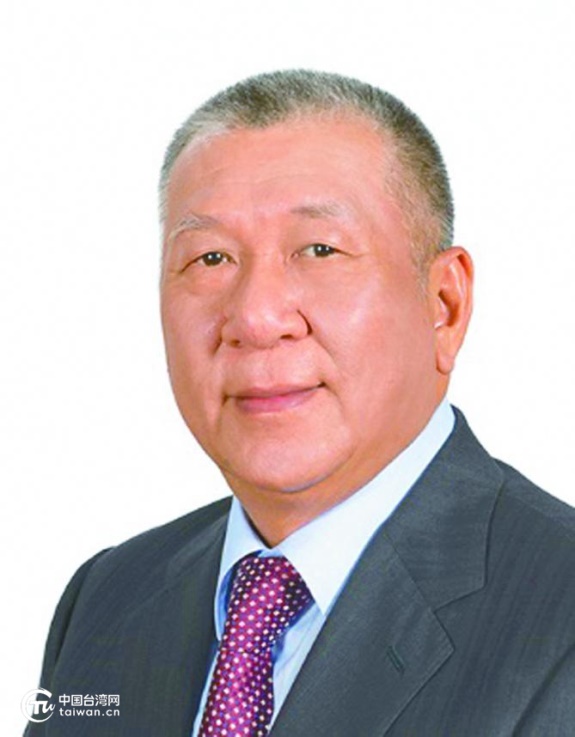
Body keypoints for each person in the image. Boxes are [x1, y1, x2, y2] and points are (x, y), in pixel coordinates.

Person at [25, 70, 575, 737]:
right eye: (210, 259)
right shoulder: (106, 598)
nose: (255, 317)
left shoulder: (558, 615)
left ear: (444, 305)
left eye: (319, 249)